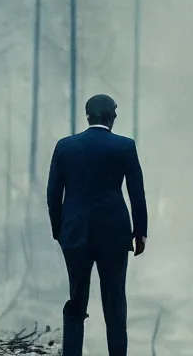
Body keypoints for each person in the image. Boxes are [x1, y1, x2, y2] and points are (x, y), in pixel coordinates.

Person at [46, 94, 148, 356]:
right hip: (114, 234)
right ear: (112, 117)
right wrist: (140, 232)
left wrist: (60, 230)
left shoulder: (65, 146)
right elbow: (137, 193)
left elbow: (53, 193)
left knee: (76, 299)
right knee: (115, 301)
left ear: (88, 115)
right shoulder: (125, 146)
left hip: (75, 233)